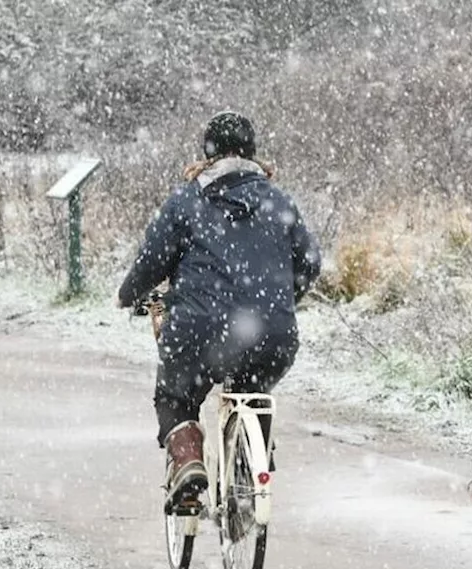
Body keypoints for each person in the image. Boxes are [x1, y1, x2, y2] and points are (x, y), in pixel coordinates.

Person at [117, 111, 322, 509]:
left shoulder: (186, 200)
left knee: (176, 394)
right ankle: (251, 466)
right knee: (252, 386)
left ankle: (189, 466)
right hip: (272, 333)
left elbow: (152, 262)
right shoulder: (279, 200)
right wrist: (281, 300)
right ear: (252, 153)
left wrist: (129, 295)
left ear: (207, 153)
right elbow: (310, 262)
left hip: (199, 329)